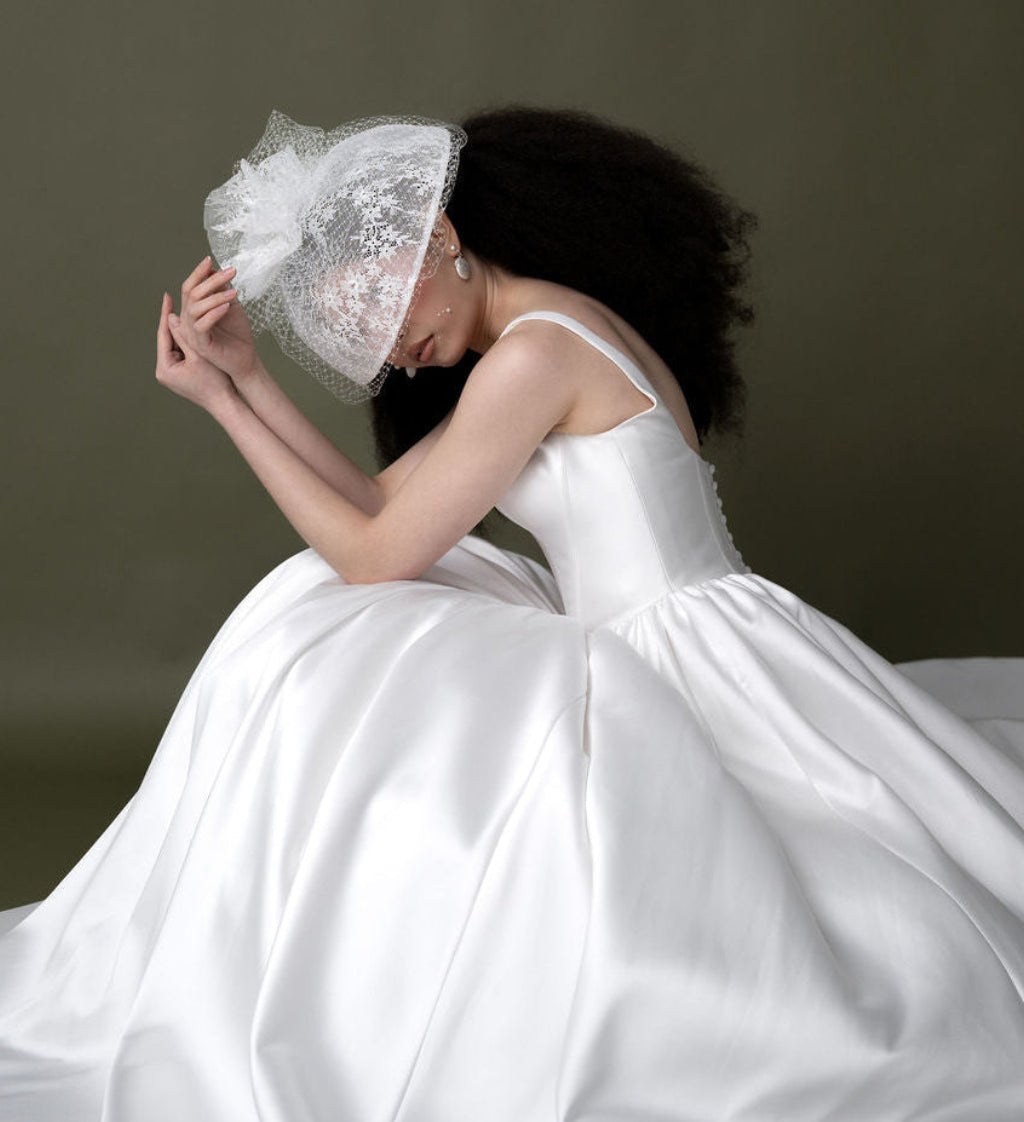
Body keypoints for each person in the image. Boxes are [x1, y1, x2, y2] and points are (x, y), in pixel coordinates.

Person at [0, 105, 1021, 1122]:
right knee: (324, 613)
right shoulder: (538, 333)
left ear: (439, 241)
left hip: (676, 650)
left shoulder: (536, 355)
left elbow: (372, 554)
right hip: (646, 630)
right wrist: (247, 379)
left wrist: (226, 410)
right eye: (362, 339)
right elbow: (378, 510)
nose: (393, 352)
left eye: (383, 312)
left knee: (347, 627)